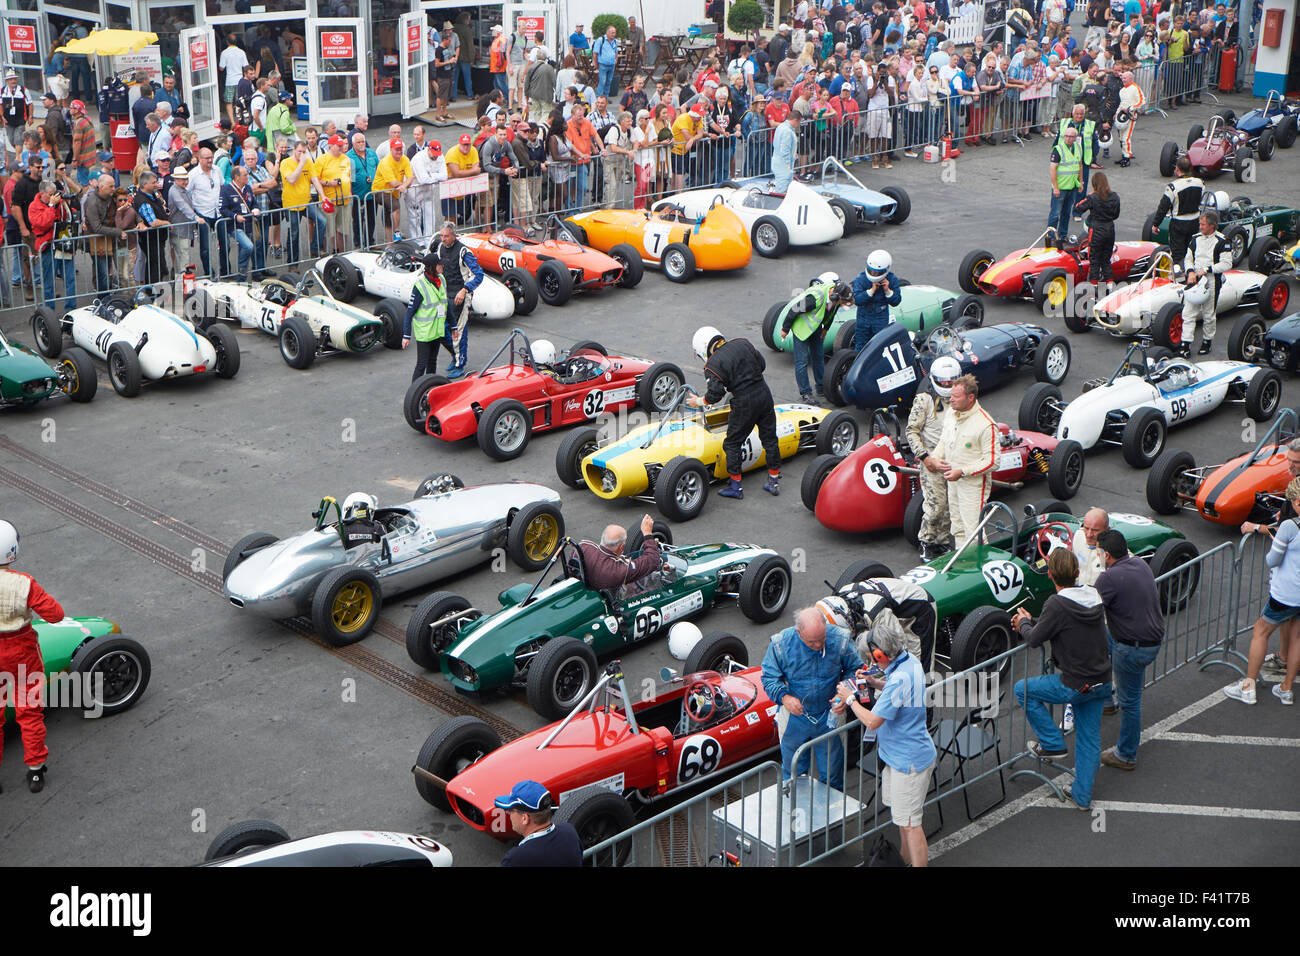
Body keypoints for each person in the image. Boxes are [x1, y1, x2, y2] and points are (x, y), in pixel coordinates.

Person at [1012, 549, 1112, 810]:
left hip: (1076, 683)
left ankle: (1052, 743)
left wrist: (1023, 623)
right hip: (1102, 679)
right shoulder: (1092, 594)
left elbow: (1034, 639)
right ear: (1077, 573)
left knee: (1022, 689)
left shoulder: (1056, 604)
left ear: (1050, 574)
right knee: (1089, 740)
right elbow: (1059, 624)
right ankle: (1081, 797)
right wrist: (1032, 621)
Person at [838, 614, 936, 865]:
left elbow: (872, 721)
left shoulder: (900, 676)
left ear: (882, 654)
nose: (870, 662)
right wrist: (873, 682)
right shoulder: (909, 661)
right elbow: (896, 687)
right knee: (904, 822)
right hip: (900, 758)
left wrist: (850, 699)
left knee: (912, 826)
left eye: (872, 658)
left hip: (908, 763)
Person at [762, 607, 862, 792]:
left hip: (830, 714)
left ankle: (831, 817)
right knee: (793, 774)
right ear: (798, 632)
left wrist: (845, 694)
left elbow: (855, 670)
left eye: (822, 639)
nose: (819, 646)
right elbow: (769, 678)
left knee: (833, 774)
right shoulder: (780, 644)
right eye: (812, 642)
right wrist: (784, 698)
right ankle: (794, 815)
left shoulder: (840, 639)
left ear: (826, 627)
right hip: (794, 716)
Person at [1224, 477, 1300, 707]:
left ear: (1296, 501)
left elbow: (1272, 559)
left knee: (1260, 631)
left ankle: (1248, 686)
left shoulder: (1289, 526)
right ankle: (1286, 689)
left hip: (1285, 593)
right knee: (1297, 638)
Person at [1093, 528, 1166, 769]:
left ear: (1106, 555)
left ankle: (1126, 755)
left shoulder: (1108, 578)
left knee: (1131, 701)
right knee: (1102, 639)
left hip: (1133, 648)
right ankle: (1106, 700)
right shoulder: (1139, 564)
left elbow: (1089, 609)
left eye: (1098, 553)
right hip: (1148, 638)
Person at [0, 519, 60, 793]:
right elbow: (55, 615)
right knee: (30, 713)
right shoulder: (24, 583)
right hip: (23, 651)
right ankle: (36, 771)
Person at [688, 326, 781, 499]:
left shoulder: (712, 364)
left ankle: (736, 487)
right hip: (764, 394)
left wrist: (698, 401)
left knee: (732, 444)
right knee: (770, 439)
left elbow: (715, 394)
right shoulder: (743, 342)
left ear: (703, 348)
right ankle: (773, 480)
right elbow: (762, 365)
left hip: (744, 403)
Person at [930, 374, 996, 551]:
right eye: (951, 395)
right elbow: (944, 442)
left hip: (972, 486)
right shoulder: (951, 413)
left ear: (970, 398)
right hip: (953, 481)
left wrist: (962, 471)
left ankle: (979, 567)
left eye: (955, 397)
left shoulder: (986, 424)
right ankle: (962, 560)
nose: (950, 400)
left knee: (973, 531)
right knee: (957, 526)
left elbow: (992, 461)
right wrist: (935, 459)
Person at [908, 355, 961, 561]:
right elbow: (911, 431)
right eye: (944, 382)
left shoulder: (963, 398)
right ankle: (928, 542)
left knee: (951, 505)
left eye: (951, 381)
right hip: (931, 459)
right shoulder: (924, 400)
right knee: (936, 506)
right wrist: (925, 458)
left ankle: (944, 542)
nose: (947, 385)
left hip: (955, 459)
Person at [783, 272, 853, 403]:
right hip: (802, 330)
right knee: (802, 362)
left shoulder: (835, 298)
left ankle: (821, 387)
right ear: (835, 296)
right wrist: (785, 329)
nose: (844, 305)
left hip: (816, 328)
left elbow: (831, 314)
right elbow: (794, 310)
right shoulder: (815, 298)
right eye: (843, 302)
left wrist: (825, 329)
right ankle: (806, 393)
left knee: (818, 357)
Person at [431, 222, 483, 378]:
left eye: (446, 236)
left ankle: (460, 364)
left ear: (454, 235)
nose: (443, 239)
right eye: (441, 236)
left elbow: (479, 275)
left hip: (461, 296)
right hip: (445, 295)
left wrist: (465, 289)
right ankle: (455, 356)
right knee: (441, 329)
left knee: (458, 331)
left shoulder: (463, 252)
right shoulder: (441, 248)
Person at [1180, 210, 1231, 356]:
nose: (1200, 227)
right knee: (1188, 312)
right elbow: (1188, 258)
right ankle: (1185, 344)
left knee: (1209, 315)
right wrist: (1190, 271)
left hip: (1211, 280)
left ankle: (1207, 341)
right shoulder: (1195, 238)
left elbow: (1227, 264)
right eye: (1200, 224)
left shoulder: (1223, 241)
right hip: (1194, 279)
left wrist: (1207, 269)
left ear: (1212, 226)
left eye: (1203, 224)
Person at [496, 781, 582, 866]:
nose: (508, 813)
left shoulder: (516, 859)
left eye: (510, 811)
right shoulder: (569, 831)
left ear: (524, 818)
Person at [579, 515, 662, 594]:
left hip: (587, 589)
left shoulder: (583, 547)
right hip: (612, 598)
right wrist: (647, 533)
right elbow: (652, 560)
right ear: (621, 547)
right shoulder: (618, 570)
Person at [401, 252, 451, 380]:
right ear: (432, 267)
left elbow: (446, 304)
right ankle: (415, 392)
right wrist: (406, 335)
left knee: (432, 361)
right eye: (439, 265)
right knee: (421, 364)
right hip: (424, 333)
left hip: (437, 331)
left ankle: (429, 388)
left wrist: (454, 325)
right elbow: (409, 312)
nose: (442, 267)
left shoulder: (442, 280)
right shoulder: (420, 286)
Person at [29, 180, 74, 314]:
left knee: (70, 278)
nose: (53, 196)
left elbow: (65, 219)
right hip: (47, 246)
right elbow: (44, 223)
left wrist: (63, 204)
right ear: (42, 193)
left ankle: (71, 310)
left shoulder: (59, 203)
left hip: (62, 244)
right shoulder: (34, 206)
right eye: (50, 194)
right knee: (49, 282)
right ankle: (49, 313)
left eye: (55, 194)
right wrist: (51, 206)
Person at [1152, 156, 1202, 266]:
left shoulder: (1173, 187)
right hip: (1195, 222)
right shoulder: (1200, 183)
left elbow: (1163, 207)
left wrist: (1156, 224)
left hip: (1179, 224)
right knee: (1191, 251)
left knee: (1177, 254)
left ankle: (1179, 276)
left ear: (1177, 170)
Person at [1073, 171, 1119, 285]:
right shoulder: (1115, 196)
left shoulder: (1092, 197)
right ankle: (1110, 286)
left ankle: (1093, 290)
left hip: (1096, 231)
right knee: (1106, 260)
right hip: (1110, 230)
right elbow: (1116, 215)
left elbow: (1078, 208)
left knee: (1094, 261)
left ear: (1094, 184)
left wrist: (1090, 195)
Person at [849, 249, 902, 349]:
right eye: (872, 271)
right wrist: (871, 291)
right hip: (863, 317)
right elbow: (857, 300)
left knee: (879, 346)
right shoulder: (861, 279)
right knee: (860, 347)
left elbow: (896, 301)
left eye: (877, 273)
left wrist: (887, 290)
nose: (873, 274)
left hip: (881, 318)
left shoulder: (892, 279)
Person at [81, 174, 124, 295]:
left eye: (114, 185)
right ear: (101, 187)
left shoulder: (111, 196)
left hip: (109, 239)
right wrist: (118, 231)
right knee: (103, 271)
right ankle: (103, 298)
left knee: (107, 268)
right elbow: (96, 228)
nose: (113, 188)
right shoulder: (92, 202)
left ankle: (107, 296)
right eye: (111, 186)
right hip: (97, 240)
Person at [315, 134, 352, 255]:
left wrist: (350, 192)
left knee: (343, 229)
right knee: (328, 229)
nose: (341, 148)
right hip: (329, 200)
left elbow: (348, 177)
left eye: (342, 145)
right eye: (338, 146)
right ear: (331, 146)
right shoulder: (322, 160)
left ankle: (342, 253)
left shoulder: (345, 159)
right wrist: (328, 183)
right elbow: (314, 179)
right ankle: (324, 253)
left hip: (344, 199)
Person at [372, 136, 413, 242]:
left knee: (387, 214)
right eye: (397, 149)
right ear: (391, 149)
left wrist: (404, 185)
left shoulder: (405, 159)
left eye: (400, 149)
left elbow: (410, 177)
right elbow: (393, 182)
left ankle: (389, 243)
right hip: (380, 190)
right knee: (396, 207)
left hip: (394, 191)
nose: (399, 151)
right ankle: (397, 231)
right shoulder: (385, 162)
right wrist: (404, 185)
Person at [1048, 125, 1084, 239]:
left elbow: (1080, 165)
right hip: (1061, 187)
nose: (1068, 138)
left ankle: (1062, 236)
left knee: (1066, 214)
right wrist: (1056, 187)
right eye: (1066, 136)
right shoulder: (1058, 149)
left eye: (1071, 136)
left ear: (1075, 138)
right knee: (1055, 214)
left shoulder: (1078, 147)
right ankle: (1051, 237)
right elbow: (1052, 169)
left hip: (1072, 186)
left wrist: (1081, 182)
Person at [408, 139, 446, 243]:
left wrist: (431, 175)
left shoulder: (440, 156)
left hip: (428, 189)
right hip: (414, 189)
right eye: (434, 154)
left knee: (430, 214)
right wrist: (436, 177)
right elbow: (422, 179)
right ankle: (417, 241)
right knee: (415, 216)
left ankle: (429, 240)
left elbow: (444, 176)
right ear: (429, 149)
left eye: (437, 154)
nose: (436, 156)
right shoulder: (419, 158)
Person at [1111, 70, 1142, 166]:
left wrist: (1130, 109)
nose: (1122, 80)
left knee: (1126, 137)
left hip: (1131, 116)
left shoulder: (1135, 88)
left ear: (1130, 78)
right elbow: (1122, 104)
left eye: (1125, 78)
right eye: (1122, 78)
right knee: (1121, 137)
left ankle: (1127, 157)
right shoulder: (1122, 90)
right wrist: (1117, 113)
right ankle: (1124, 155)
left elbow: (1141, 101)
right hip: (1122, 116)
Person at [1, 71, 33, 152]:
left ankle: (18, 157)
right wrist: (2, 117)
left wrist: (30, 116)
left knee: (18, 139)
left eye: (14, 79)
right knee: (12, 140)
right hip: (8, 120)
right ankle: (20, 154)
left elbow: (30, 104)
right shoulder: (2, 91)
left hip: (20, 120)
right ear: (7, 81)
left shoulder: (23, 90)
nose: (13, 81)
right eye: (11, 79)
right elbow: (0, 104)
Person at [770, 109, 799, 193]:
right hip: (783, 166)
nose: (798, 125)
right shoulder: (787, 131)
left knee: (783, 187)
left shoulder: (781, 126)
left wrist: (793, 153)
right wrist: (787, 165)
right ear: (795, 120)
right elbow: (784, 149)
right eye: (798, 123)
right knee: (781, 190)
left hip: (778, 161)